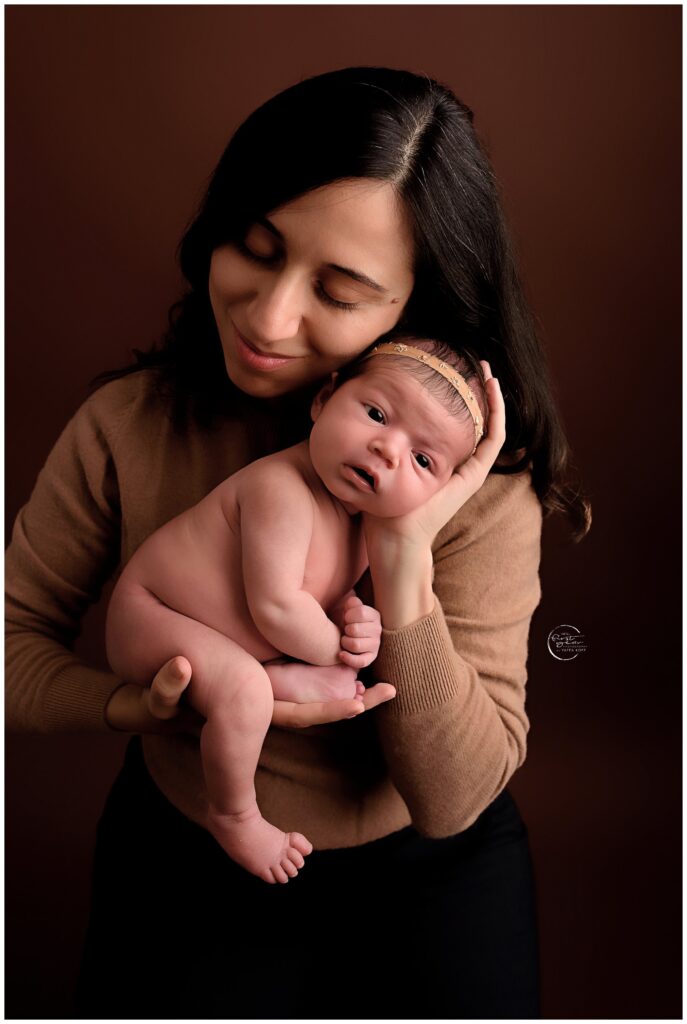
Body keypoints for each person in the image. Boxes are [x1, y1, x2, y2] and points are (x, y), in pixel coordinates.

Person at [6, 67, 590, 1018]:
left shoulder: (474, 484)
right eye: (255, 246)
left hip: (429, 867)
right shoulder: (130, 425)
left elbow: (452, 803)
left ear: (418, 303)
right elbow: (10, 645)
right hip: (191, 846)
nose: (269, 319)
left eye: (341, 290)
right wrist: (139, 707)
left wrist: (402, 553)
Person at [105, 338, 488, 884]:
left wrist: (355, 617)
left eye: (422, 459)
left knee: (314, 686)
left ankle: (269, 677)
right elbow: (279, 607)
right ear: (324, 398)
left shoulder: (365, 524)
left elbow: (323, 594)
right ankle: (234, 813)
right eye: (376, 414)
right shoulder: (280, 487)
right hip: (153, 615)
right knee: (244, 689)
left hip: (224, 641)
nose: (386, 450)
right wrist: (342, 647)